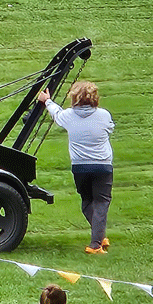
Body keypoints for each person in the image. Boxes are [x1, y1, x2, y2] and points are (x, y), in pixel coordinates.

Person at [36, 81, 115, 254]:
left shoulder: (68, 116)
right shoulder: (103, 115)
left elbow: (57, 114)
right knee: (101, 202)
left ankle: (98, 240)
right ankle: (97, 243)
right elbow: (110, 129)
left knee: (87, 202)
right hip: (103, 166)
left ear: (74, 97)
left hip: (80, 167)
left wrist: (47, 101)